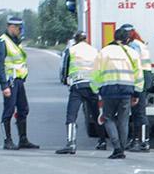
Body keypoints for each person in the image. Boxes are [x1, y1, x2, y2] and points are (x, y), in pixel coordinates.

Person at [94, 26, 140, 161]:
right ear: (127, 39)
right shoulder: (132, 53)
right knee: (124, 120)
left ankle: (117, 148)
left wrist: (96, 90)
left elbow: (96, 73)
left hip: (109, 90)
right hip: (126, 90)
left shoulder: (104, 52)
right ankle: (123, 147)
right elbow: (139, 74)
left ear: (114, 38)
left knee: (108, 118)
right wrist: (136, 93)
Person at [0, 15, 35, 150]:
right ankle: (7, 140)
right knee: (8, 111)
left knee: (23, 109)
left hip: (19, 81)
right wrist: (3, 85)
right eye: (18, 28)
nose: (20, 31)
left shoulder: (16, 41)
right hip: (10, 81)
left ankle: (23, 139)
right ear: (11, 27)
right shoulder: (2, 42)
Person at [60, 27, 99, 155]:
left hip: (77, 86)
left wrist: (65, 80)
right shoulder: (94, 50)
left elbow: (65, 68)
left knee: (71, 115)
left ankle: (71, 143)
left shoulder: (71, 50)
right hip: (92, 86)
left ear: (75, 39)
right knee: (96, 115)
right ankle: (102, 141)